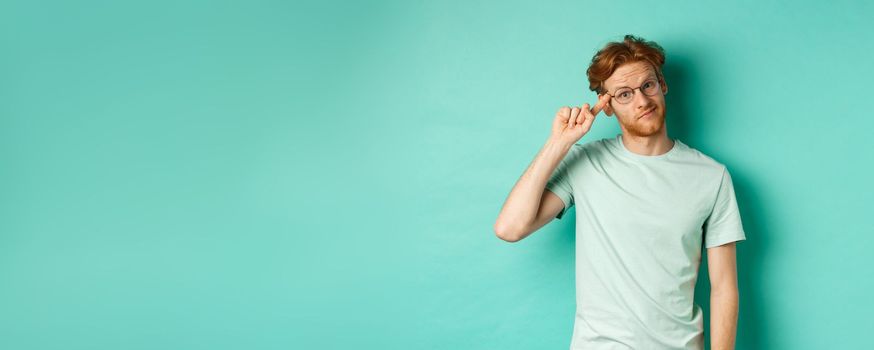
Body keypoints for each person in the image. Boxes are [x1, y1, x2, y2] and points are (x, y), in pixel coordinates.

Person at [493, 34, 746, 350]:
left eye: (647, 86)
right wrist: (559, 143)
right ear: (607, 105)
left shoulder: (712, 176)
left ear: (662, 85)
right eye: (624, 94)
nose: (641, 101)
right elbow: (509, 227)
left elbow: (724, 288)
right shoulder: (585, 162)